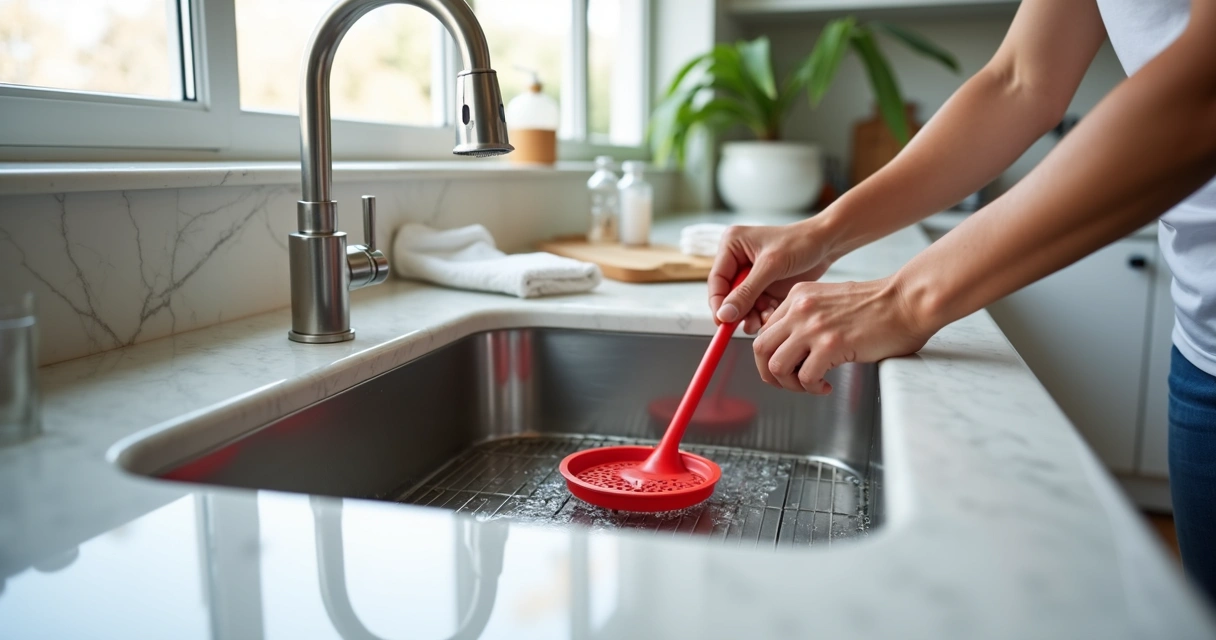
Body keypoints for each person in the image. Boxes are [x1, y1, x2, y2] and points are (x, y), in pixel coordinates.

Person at [708, 0, 1216, 603]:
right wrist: (821, 233)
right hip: (1202, 347)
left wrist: (904, 300)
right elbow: (1020, 80)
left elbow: (1202, 93)